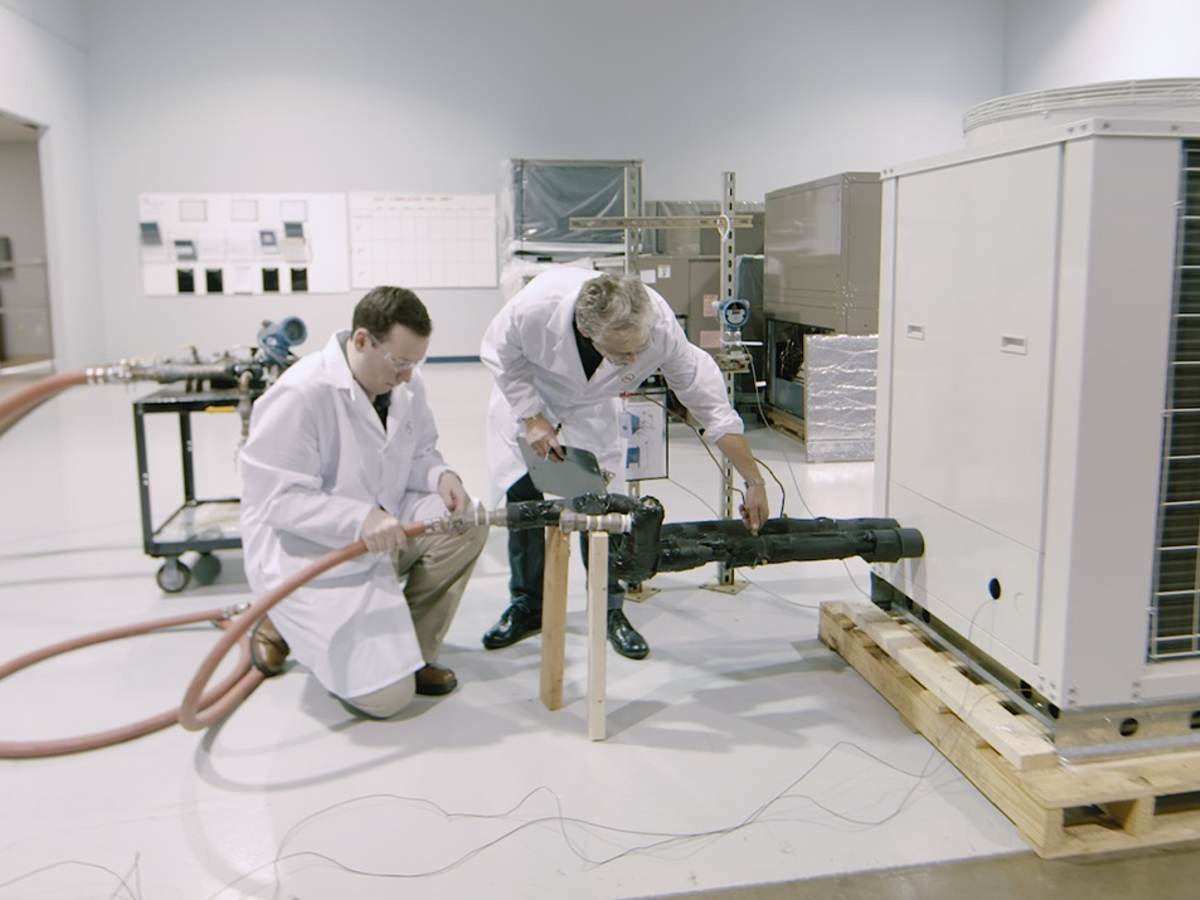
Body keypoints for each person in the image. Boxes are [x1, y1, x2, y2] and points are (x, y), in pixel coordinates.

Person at [479, 267, 770, 660]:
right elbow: (500, 353)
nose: (634, 359)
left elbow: (714, 411)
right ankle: (528, 606)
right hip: (530, 400)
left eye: (639, 349)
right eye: (621, 353)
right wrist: (531, 415)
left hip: (590, 414)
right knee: (525, 502)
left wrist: (754, 481)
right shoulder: (535, 308)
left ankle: (609, 609)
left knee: (603, 511)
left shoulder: (661, 327)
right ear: (587, 332)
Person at [239, 286, 486, 719]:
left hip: (381, 530)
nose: (408, 375)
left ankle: (416, 651)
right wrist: (359, 518)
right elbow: (277, 501)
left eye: (416, 363)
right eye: (400, 362)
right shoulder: (302, 394)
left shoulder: (405, 384)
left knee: (468, 521)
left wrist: (440, 476)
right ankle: (278, 616)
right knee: (387, 700)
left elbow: (420, 451)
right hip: (313, 550)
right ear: (360, 341)